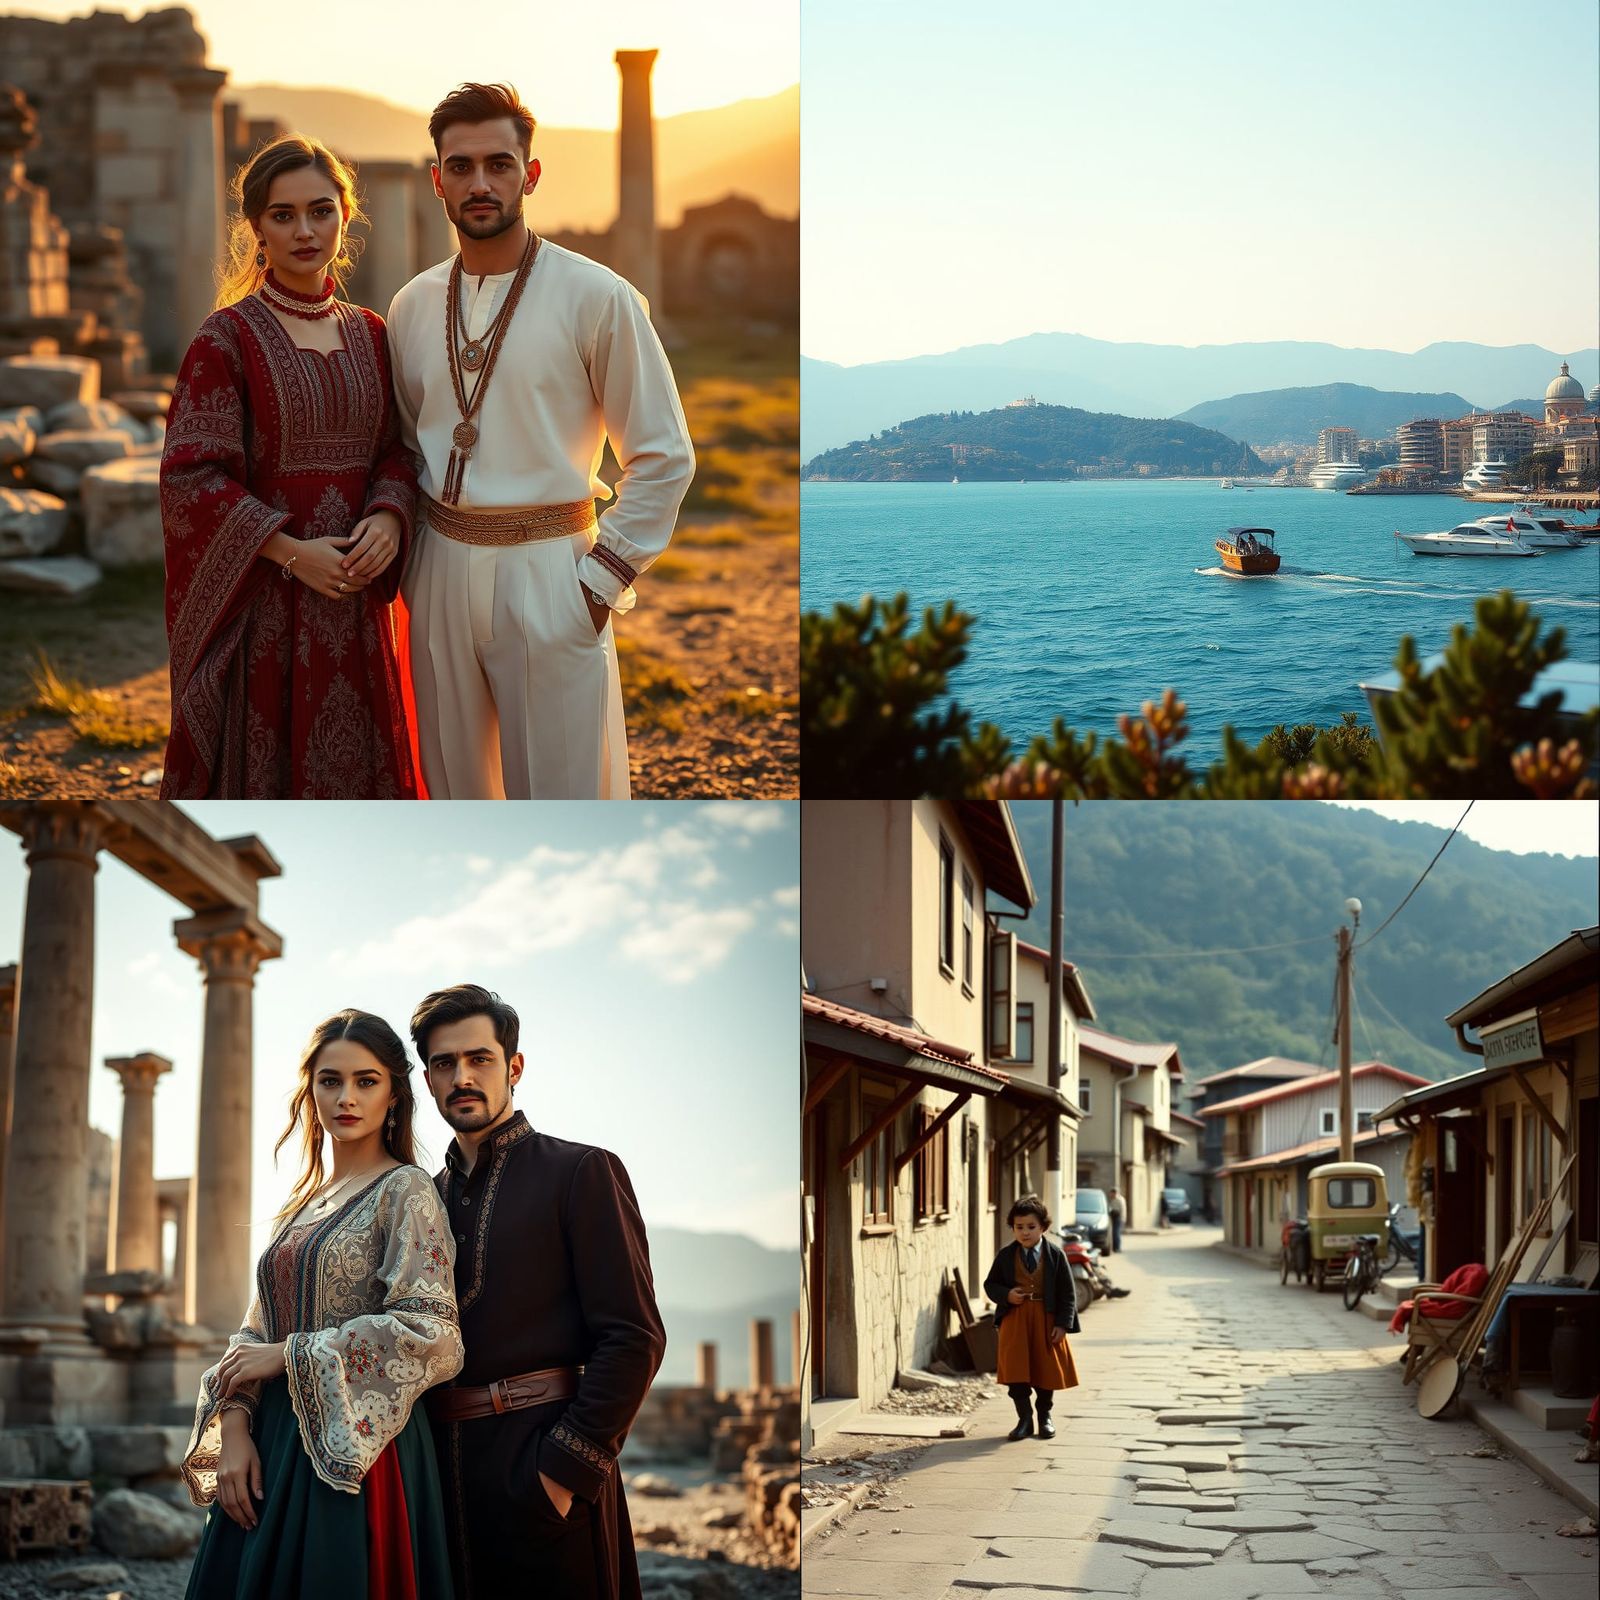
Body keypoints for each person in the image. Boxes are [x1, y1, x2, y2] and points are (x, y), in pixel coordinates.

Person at [386, 83, 695, 800]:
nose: (480, 182)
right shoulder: (411, 304)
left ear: (531, 172)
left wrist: (599, 585)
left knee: (567, 790)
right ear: (437, 181)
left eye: (499, 163)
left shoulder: (598, 296)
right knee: (455, 789)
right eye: (460, 167)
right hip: (437, 572)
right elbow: (404, 446)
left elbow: (663, 454)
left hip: (553, 568)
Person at [160, 135, 420, 799]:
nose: (305, 230)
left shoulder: (372, 333)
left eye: (320, 210)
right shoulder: (226, 340)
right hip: (266, 609)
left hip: (357, 601)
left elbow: (395, 448)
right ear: (257, 231)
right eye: (283, 215)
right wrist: (289, 552)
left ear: (344, 215)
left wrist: (390, 518)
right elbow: (192, 478)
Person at [180, 1012, 462, 1598]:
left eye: (366, 1081)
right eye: (330, 1081)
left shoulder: (407, 1192)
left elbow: (433, 1335)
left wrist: (293, 1355)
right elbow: (254, 1329)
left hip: (357, 1448)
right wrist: (234, 1425)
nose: (346, 1097)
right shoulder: (301, 1205)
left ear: (394, 1094)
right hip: (266, 1444)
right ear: (310, 1090)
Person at [413, 983, 665, 1598]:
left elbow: (634, 1337)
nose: (461, 1077)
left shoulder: (581, 1171)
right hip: (438, 1480)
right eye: (444, 1064)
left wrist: (562, 1473)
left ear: (514, 1067)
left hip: (543, 1466)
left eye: (479, 1059)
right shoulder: (419, 1201)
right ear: (427, 1080)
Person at [984, 1196, 1080, 1441]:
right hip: (1015, 1320)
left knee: (1045, 1369)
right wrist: (1007, 1295)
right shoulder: (1006, 1256)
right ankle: (1024, 1419)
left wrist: (1062, 1324)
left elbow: (1068, 1293)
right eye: (1019, 1227)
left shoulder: (1055, 1255)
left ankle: (1044, 1417)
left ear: (1043, 1228)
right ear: (1013, 1228)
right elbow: (990, 1284)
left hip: (1046, 1318)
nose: (1025, 1233)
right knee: (1016, 1370)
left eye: (1031, 1227)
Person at [1108, 1186, 1126, 1252]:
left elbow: (1119, 1210)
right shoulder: (1113, 1199)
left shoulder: (1119, 1200)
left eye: (1112, 1193)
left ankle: (1117, 1248)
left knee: (1116, 1233)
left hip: (1119, 1218)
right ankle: (1115, 1248)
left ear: (1115, 1193)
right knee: (1114, 1233)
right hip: (1115, 1217)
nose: (1111, 1195)